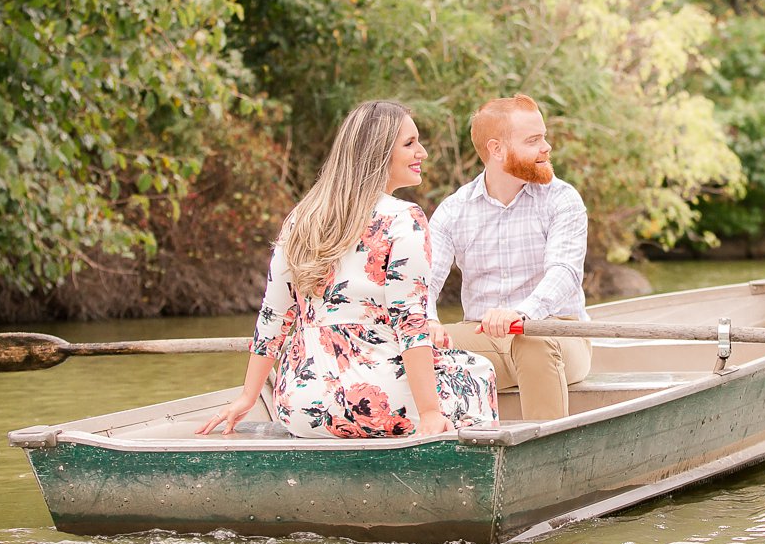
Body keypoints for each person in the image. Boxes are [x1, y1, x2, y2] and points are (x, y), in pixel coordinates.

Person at [198, 100, 497, 438]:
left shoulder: (301, 217)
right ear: (379, 152)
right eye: (410, 143)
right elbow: (410, 323)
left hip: (300, 403)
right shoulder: (403, 218)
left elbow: (274, 315)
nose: (423, 152)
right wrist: (429, 413)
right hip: (378, 401)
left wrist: (247, 396)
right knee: (476, 369)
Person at [426, 94, 591, 421]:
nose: (547, 147)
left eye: (544, 137)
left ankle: (543, 458)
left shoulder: (562, 199)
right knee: (418, 350)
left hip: (558, 334)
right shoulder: (453, 211)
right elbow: (424, 281)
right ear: (496, 149)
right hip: (483, 337)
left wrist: (521, 314)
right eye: (534, 140)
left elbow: (564, 273)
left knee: (531, 341)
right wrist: (428, 320)